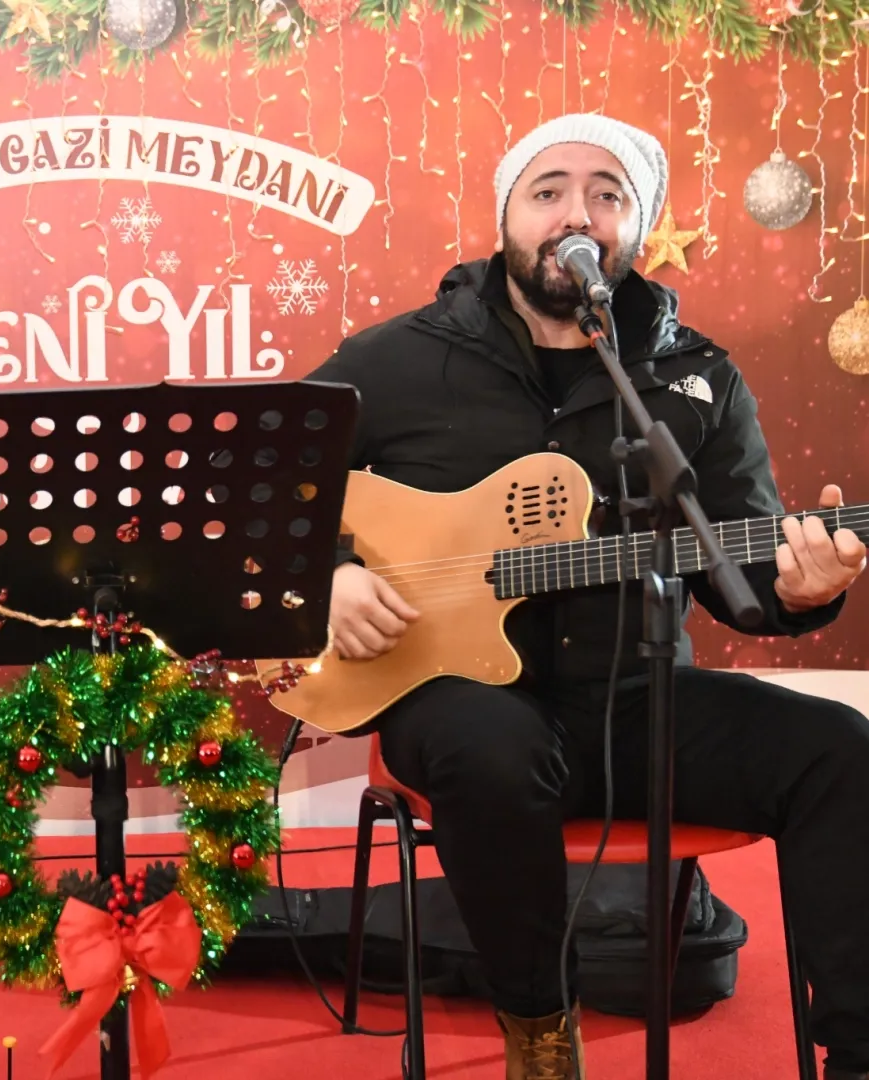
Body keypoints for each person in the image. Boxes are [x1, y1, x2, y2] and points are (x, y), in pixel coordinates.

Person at [308, 114, 868, 1079]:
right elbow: (266, 497)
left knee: (837, 750)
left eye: (607, 194)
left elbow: (739, 571)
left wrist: (801, 589)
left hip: (636, 701)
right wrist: (326, 575)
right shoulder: (389, 360)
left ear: (635, 227)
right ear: (506, 217)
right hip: (456, 702)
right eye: (549, 190)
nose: (577, 213)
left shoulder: (695, 377)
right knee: (494, 745)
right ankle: (538, 1032)